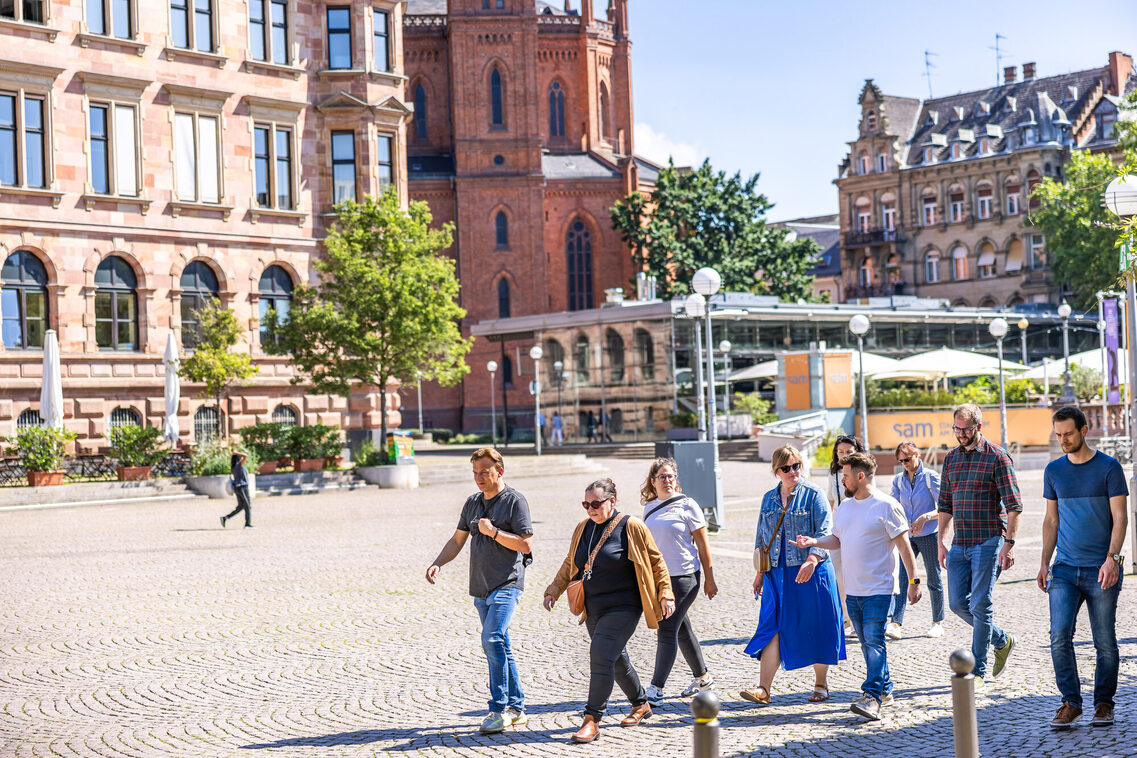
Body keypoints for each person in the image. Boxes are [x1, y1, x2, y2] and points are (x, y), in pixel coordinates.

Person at [544, 478, 675, 744]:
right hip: (593, 607)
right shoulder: (583, 528)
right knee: (615, 659)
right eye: (586, 504)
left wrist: (666, 593)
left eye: (596, 504)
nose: (590, 509)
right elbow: (571, 562)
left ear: (612, 501)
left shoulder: (631, 526)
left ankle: (592, 719)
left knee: (600, 655)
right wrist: (553, 590)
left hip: (625, 606)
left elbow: (656, 561)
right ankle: (640, 703)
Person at [795, 452, 922, 720]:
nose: (842, 480)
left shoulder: (887, 506)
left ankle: (872, 697)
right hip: (852, 591)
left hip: (879, 590)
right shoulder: (845, 507)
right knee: (867, 644)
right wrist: (814, 542)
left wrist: (914, 581)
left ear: (860, 476)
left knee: (874, 642)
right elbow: (837, 540)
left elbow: (904, 547)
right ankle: (885, 689)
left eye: (846, 475)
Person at [426, 449, 534, 734]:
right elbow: (457, 540)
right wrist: (438, 563)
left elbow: (526, 545)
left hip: (507, 583)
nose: (479, 478)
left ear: (500, 471)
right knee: (502, 645)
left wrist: (493, 532)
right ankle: (517, 708)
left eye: (485, 472)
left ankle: (497, 710)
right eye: (475, 473)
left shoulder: (515, 501)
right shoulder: (473, 502)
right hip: (481, 587)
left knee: (492, 639)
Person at [1038, 406, 1128, 729]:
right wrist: (1044, 562)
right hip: (1064, 569)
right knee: (1059, 635)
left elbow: (1121, 517)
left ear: (1084, 430)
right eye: (1058, 435)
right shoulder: (1053, 471)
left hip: (1101, 569)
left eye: (1068, 434)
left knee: (1104, 642)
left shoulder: (1109, 467)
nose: (1062, 440)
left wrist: (1113, 559)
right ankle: (1071, 702)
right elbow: (1051, 520)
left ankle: (1103, 703)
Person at [740, 445, 844, 706]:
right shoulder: (769, 498)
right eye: (786, 468)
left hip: (811, 571)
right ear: (777, 471)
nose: (792, 471)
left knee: (818, 625)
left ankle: (821, 683)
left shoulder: (814, 494)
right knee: (772, 626)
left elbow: (825, 531)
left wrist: (812, 559)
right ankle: (763, 689)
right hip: (777, 573)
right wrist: (760, 573)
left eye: (796, 465)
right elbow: (761, 537)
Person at [937, 403, 1022, 689]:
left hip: (989, 540)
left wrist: (1009, 544)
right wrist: (941, 542)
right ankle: (1002, 640)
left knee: (980, 603)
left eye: (966, 429)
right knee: (957, 604)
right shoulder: (951, 459)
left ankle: (978, 671)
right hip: (960, 542)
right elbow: (945, 505)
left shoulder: (997, 457)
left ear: (979, 427)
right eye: (957, 429)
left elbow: (1014, 505)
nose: (961, 434)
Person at [639, 458, 718, 706]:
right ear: (653, 481)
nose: (667, 481)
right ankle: (703, 678)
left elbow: (703, 545)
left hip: (685, 576)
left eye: (671, 476)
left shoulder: (688, 505)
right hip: (660, 579)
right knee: (681, 628)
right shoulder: (649, 507)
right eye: (662, 477)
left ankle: (656, 688)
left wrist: (710, 579)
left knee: (667, 628)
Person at [887, 441, 945, 639]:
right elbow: (893, 506)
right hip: (907, 536)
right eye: (901, 461)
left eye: (907, 459)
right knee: (903, 578)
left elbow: (944, 507)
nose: (904, 464)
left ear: (917, 455)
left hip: (928, 535)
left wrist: (925, 517)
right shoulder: (898, 480)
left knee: (934, 578)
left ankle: (937, 622)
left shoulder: (930, 477)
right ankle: (895, 623)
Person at [827, 434, 864, 638]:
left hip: (858, 528)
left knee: (857, 574)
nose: (844, 455)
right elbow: (831, 501)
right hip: (838, 530)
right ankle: (846, 619)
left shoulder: (864, 472)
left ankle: (860, 620)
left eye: (848, 452)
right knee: (839, 575)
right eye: (840, 451)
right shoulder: (833, 473)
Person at [220, 452, 252, 529]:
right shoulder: (239, 465)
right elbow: (245, 456)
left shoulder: (233, 467)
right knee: (247, 506)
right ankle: (247, 524)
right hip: (243, 487)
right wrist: (235, 452)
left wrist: (234, 455)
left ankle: (225, 518)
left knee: (241, 506)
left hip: (237, 488)